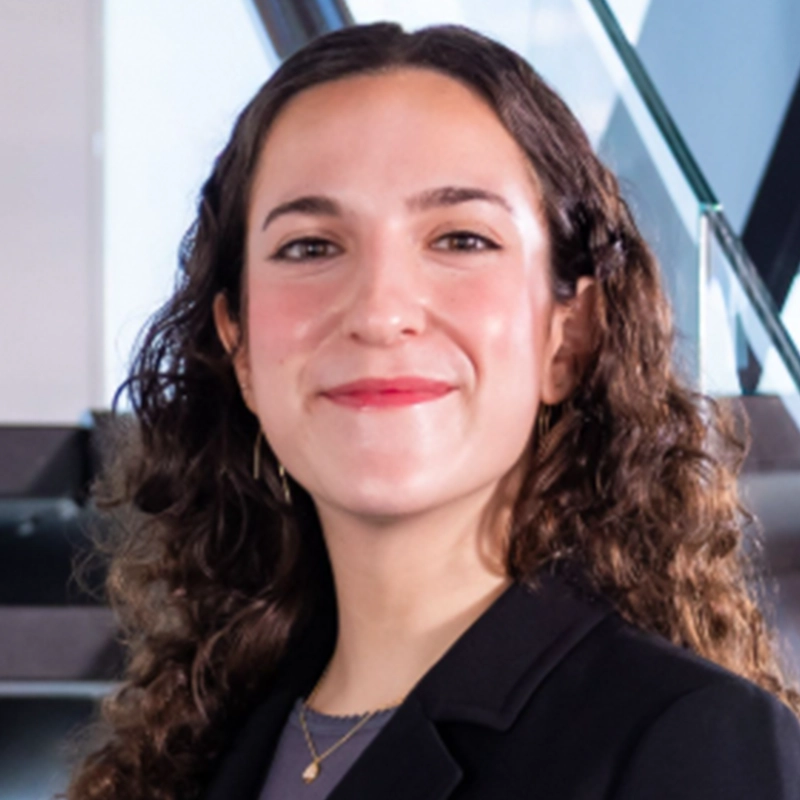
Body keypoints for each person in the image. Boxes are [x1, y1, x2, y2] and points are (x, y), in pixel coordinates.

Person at [68, 22, 800, 800]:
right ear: (239, 346)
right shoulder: (200, 753)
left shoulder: (692, 741)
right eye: (311, 247)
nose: (380, 313)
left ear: (568, 335)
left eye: (460, 238)